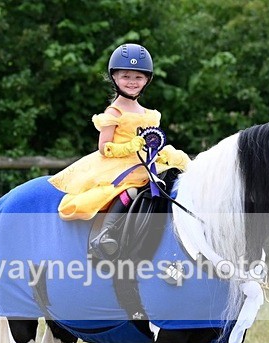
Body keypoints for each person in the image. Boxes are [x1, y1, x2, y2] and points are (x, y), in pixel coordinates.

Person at [49, 43, 190, 258]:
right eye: (126, 77)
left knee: (171, 183)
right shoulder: (113, 112)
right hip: (121, 165)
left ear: (147, 80)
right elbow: (104, 147)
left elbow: (153, 140)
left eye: (138, 78)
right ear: (114, 78)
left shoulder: (149, 114)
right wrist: (129, 146)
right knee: (130, 191)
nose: (132, 82)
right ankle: (105, 235)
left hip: (147, 163)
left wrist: (159, 153)